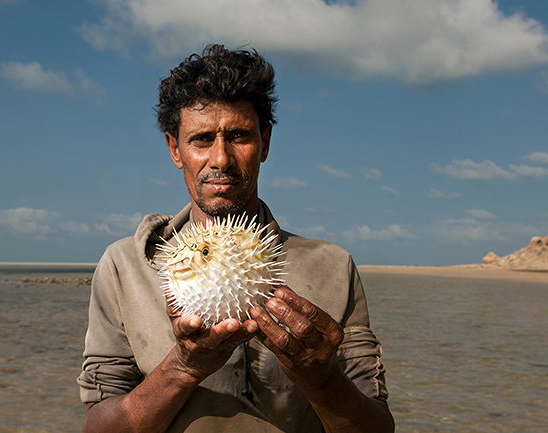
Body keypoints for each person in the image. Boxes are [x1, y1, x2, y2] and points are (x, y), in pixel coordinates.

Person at [78, 44, 395, 433]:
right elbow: (98, 428)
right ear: (174, 149)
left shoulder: (334, 266)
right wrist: (184, 366)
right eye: (201, 139)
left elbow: (377, 428)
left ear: (265, 141)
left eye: (239, 135)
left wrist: (321, 378)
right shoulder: (123, 265)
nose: (221, 159)